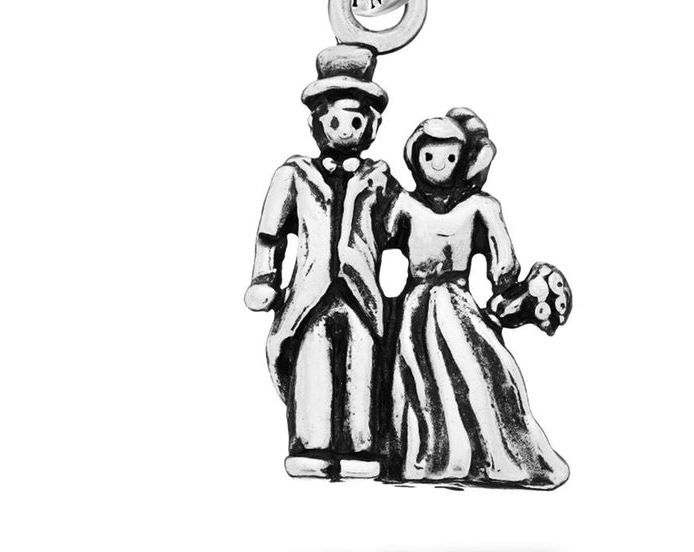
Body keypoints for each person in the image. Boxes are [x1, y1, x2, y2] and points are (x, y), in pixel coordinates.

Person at [384, 108, 570, 489]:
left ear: (464, 161)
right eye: (429, 155)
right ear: (415, 156)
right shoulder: (404, 206)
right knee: (416, 377)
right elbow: (374, 245)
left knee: (477, 375)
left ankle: (485, 453)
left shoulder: (480, 208)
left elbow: (504, 265)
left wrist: (516, 296)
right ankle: (426, 455)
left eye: (449, 156)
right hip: (415, 306)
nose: (438, 164)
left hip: (459, 306)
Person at [244, 45, 396, 480]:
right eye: (334, 120)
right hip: (309, 294)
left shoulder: (378, 178)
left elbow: (402, 227)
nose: (345, 129)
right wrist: (264, 277)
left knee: (363, 366)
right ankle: (311, 444)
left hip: (362, 295)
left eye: (356, 121)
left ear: (372, 126)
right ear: (315, 122)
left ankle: (360, 447)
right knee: (314, 364)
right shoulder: (293, 175)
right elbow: (270, 233)